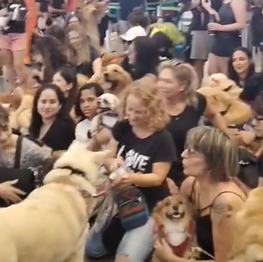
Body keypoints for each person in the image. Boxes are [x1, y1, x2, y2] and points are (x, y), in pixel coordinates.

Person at [85, 82, 177, 262]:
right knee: (91, 249)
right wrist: (114, 164)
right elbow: (110, 155)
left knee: (126, 259)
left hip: (150, 205)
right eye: (129, 109)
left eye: (139, 112)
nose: (132, 116)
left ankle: (150, 239)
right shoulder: (123, 127)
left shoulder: (163, 139)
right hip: (121, 200)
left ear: (151, 111)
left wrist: (130, 177)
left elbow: (158, 178)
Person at [155, 126, 245, 262]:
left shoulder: (227, 202)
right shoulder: (190, 184)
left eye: (191, 152)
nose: (183, 154)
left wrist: (170, 258)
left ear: (212, 161)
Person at [157, 60, 230, 187]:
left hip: (189, 167)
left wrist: (226, 138)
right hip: (161, 169)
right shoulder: (153, 104)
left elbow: (213, 115)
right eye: (160, 80)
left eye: (168, 82)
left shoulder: (196, 101)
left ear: (182, 86)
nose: (161, 85)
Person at [202, 0, 248, 75]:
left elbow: (241, 24)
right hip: (219, 41)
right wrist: (209, 9)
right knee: (212, 73)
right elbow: (221, 19)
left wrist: (220, 28)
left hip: (230, 43)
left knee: (225, 76)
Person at [188, 0, 223, 82]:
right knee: (199, 60)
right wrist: (195, 1)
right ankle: (197, 89)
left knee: (218, 60)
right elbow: (186, 6)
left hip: (218, 26)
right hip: (199, 26)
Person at [28, 84, 75, 153]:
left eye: (52, 102)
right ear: (36, 104)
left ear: (60, 105)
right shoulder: (35, 124)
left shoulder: (66, 126)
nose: (47, 106)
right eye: (43, 102)